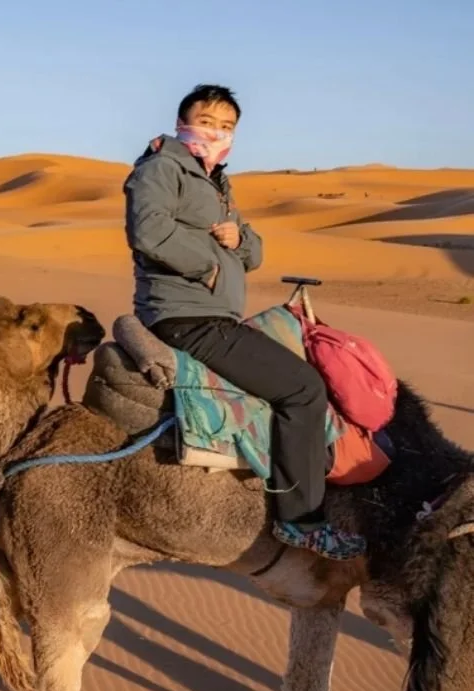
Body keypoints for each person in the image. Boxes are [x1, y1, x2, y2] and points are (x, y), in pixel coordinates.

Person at [123, 84, 364, 561]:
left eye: (226, 126)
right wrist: (207, 264)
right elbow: (148, 231)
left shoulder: (215, 181)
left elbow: (254, 254)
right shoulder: (161, 168)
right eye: (206, 122)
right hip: (187, 315)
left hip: (211, 313)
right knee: (303, 389)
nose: (215, 132)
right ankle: (301, 520)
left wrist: (237, 240)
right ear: (182, 123)